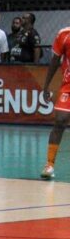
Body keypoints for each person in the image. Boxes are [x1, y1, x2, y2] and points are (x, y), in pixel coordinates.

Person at [40, 26, 70, 179]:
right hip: (68, 86)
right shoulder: (64, 34)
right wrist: (46, 86)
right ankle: (49, 164)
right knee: (60, 120)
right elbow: (55, 61)